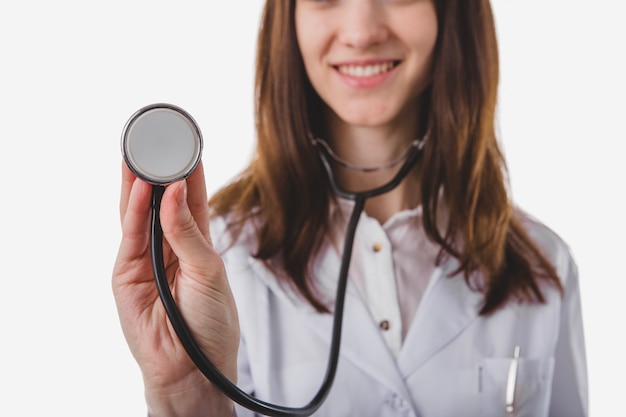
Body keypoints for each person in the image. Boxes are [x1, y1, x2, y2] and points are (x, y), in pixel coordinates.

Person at [112, 0, 588, 416]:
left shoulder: (545, 265)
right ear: (289, 17)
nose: (362, 32)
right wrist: (187, 394)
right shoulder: (211, 260)